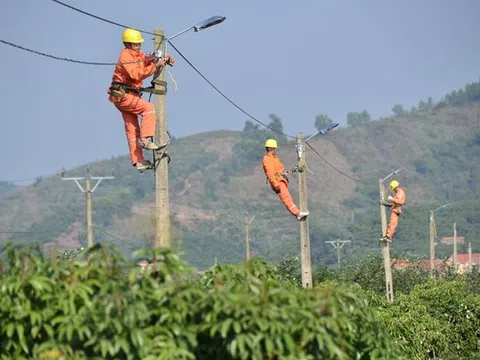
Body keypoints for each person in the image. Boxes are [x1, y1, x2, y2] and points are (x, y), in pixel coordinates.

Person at [108, 28, 175, 172]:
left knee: (132, 130)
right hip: (123, 95)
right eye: (136, 44)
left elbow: (145, 58)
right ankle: (145, 140)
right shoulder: (125, 56)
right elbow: (137, 75)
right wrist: (156, 66)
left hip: (125, 96)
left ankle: (138, 160)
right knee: (149, 109)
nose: (138, 46)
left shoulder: (136, 54)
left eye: (139, 44)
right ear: (127, 44)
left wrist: (163, 57)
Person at [262, 139, 309, 221]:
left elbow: (281, 169)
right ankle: (297, 214)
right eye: (274, 148)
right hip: (277, 182)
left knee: (288, 197)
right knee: (286, 198)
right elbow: (270, 174)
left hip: (281, 179)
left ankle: (297, 213)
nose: (275, 150)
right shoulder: (267, 160)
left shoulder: (274, 158)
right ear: (269, 148)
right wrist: (276, 185)